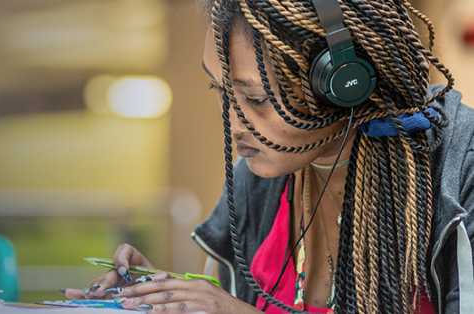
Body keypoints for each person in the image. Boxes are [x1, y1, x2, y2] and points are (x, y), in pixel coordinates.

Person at [61, 0, 474, 313]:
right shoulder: (255, 180)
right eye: (221, 92)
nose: (232, 122)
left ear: (345, 84)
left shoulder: (461, 169)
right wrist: (160, 296)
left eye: (256, 98)